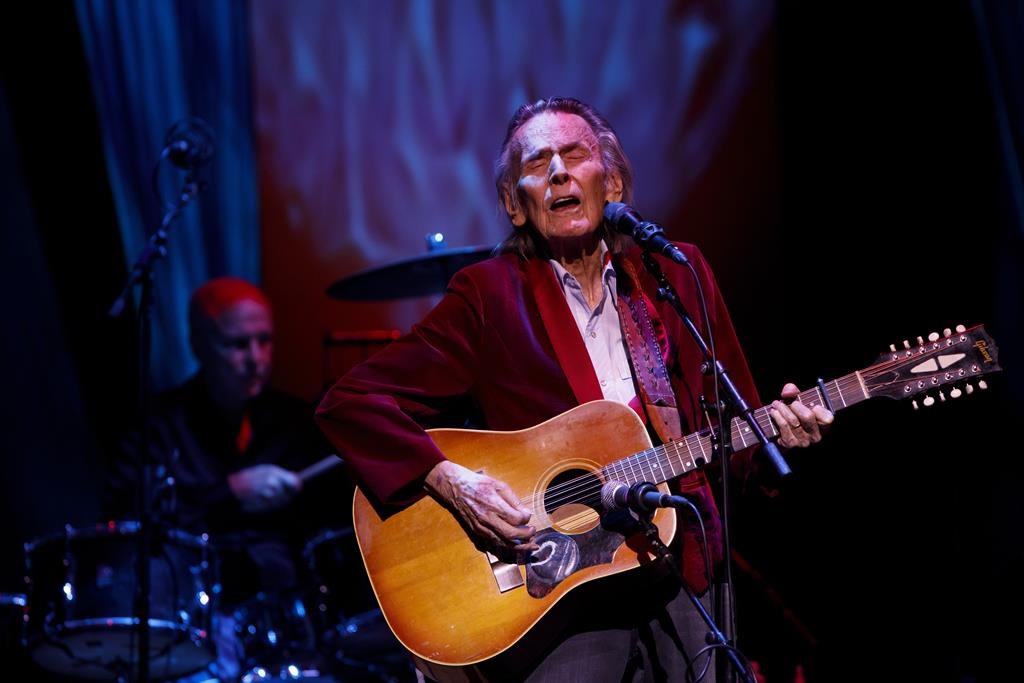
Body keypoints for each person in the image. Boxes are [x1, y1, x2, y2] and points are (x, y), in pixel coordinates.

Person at [315, 97, 833, 682]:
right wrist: (454, 483)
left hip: (679, 575)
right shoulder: (489, 296)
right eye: (538, 163)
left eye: (575, 154)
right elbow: (351, 402)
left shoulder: (674, 276)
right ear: (516, 204)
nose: (559, 171)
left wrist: (778, 438)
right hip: (558, 601)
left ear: (610, 179)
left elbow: (731, 436)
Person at [105, 277, 344, 680]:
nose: (256, 358)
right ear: (198, 345)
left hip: (284, 620)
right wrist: (230, 492)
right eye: (237, 345)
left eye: (265, 340)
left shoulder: (294, 422)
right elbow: (128, 522)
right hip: (189, 616)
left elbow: (329, 532)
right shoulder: (159, 426)